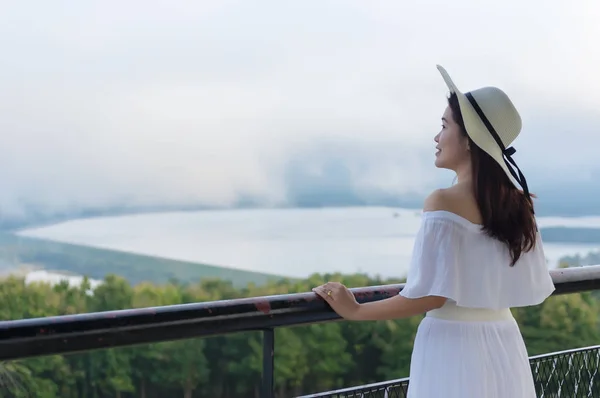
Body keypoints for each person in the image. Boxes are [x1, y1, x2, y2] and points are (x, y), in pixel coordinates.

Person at [312, 65, 556, 398]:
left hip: (454, 347)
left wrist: (356, 309)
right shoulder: (516, 203)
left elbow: (431, 294)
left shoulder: (443, 201)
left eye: (444, 126)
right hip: (504, 341)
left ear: (469, 140)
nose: (436, 137)